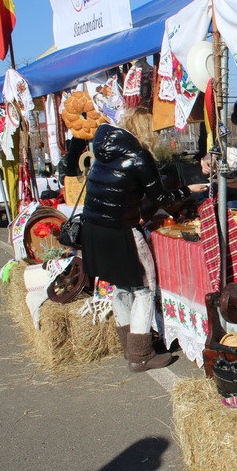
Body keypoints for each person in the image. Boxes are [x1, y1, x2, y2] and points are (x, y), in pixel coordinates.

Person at [81, 107, 207, 372]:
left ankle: (129, 345)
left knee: (120, 285)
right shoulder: (138, 156)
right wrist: (188, 189)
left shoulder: (104, 147)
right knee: (144, 288)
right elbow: (160, 198)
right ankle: (140, 355)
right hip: (120, 230)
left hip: (94, 227)